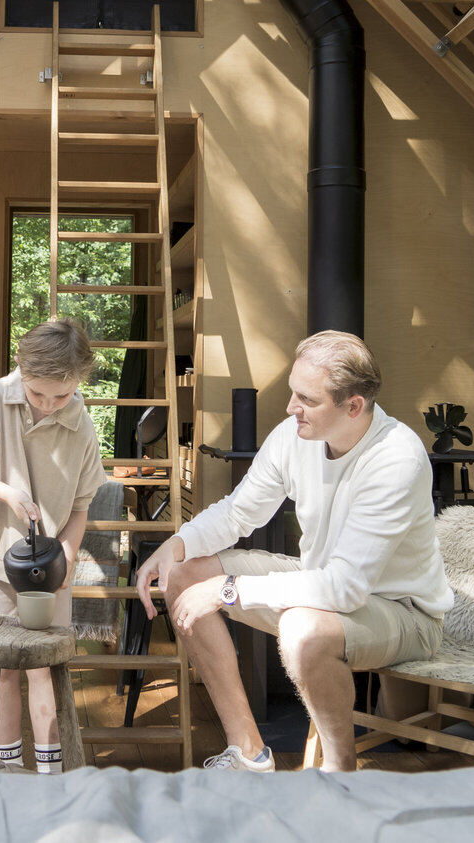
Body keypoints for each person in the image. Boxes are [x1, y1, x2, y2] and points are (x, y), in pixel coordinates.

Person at [136, 330, 452, 773]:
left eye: (306, 398)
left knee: (302, 625)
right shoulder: (293, 435)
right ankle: (248, 753)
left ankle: (339, 770)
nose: (290, 407)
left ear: (353, 406)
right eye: (292, 392)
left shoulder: (396, 457)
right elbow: (238, 514)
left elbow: (345, 588)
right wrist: (177, 544)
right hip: (324, 585)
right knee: (186, 573)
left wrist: (229, 589)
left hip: (401, 612)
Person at [0, 319, 107, 773]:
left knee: (43, 665)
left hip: (49, 566)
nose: (49, 404)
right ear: (21, 369)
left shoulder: (81, 425)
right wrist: (7, 492)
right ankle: (4, 771)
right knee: (3, 665)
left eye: (62, 395)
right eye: (39, 395)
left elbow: (79, 508)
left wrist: (70, 555)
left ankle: (50, 773)